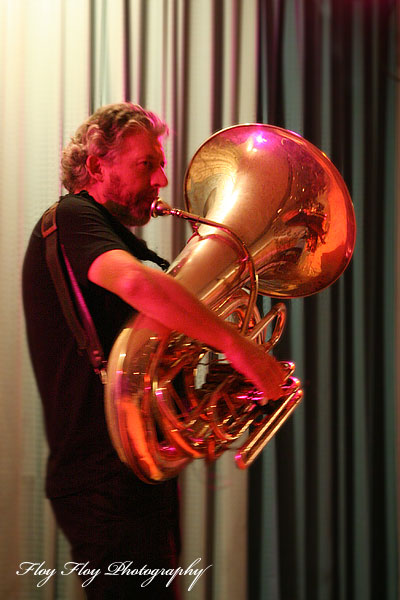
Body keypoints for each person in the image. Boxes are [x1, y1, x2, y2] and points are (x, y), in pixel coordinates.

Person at [22, 103, 285, 599]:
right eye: (148, 164)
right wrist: (238, 346)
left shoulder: (140, 251)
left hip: (137, 480)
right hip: (101, 482)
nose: (163, 178)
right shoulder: (72, 216)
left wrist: (236, 390)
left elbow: (168, 365)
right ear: (98, 166)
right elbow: (134, 283)